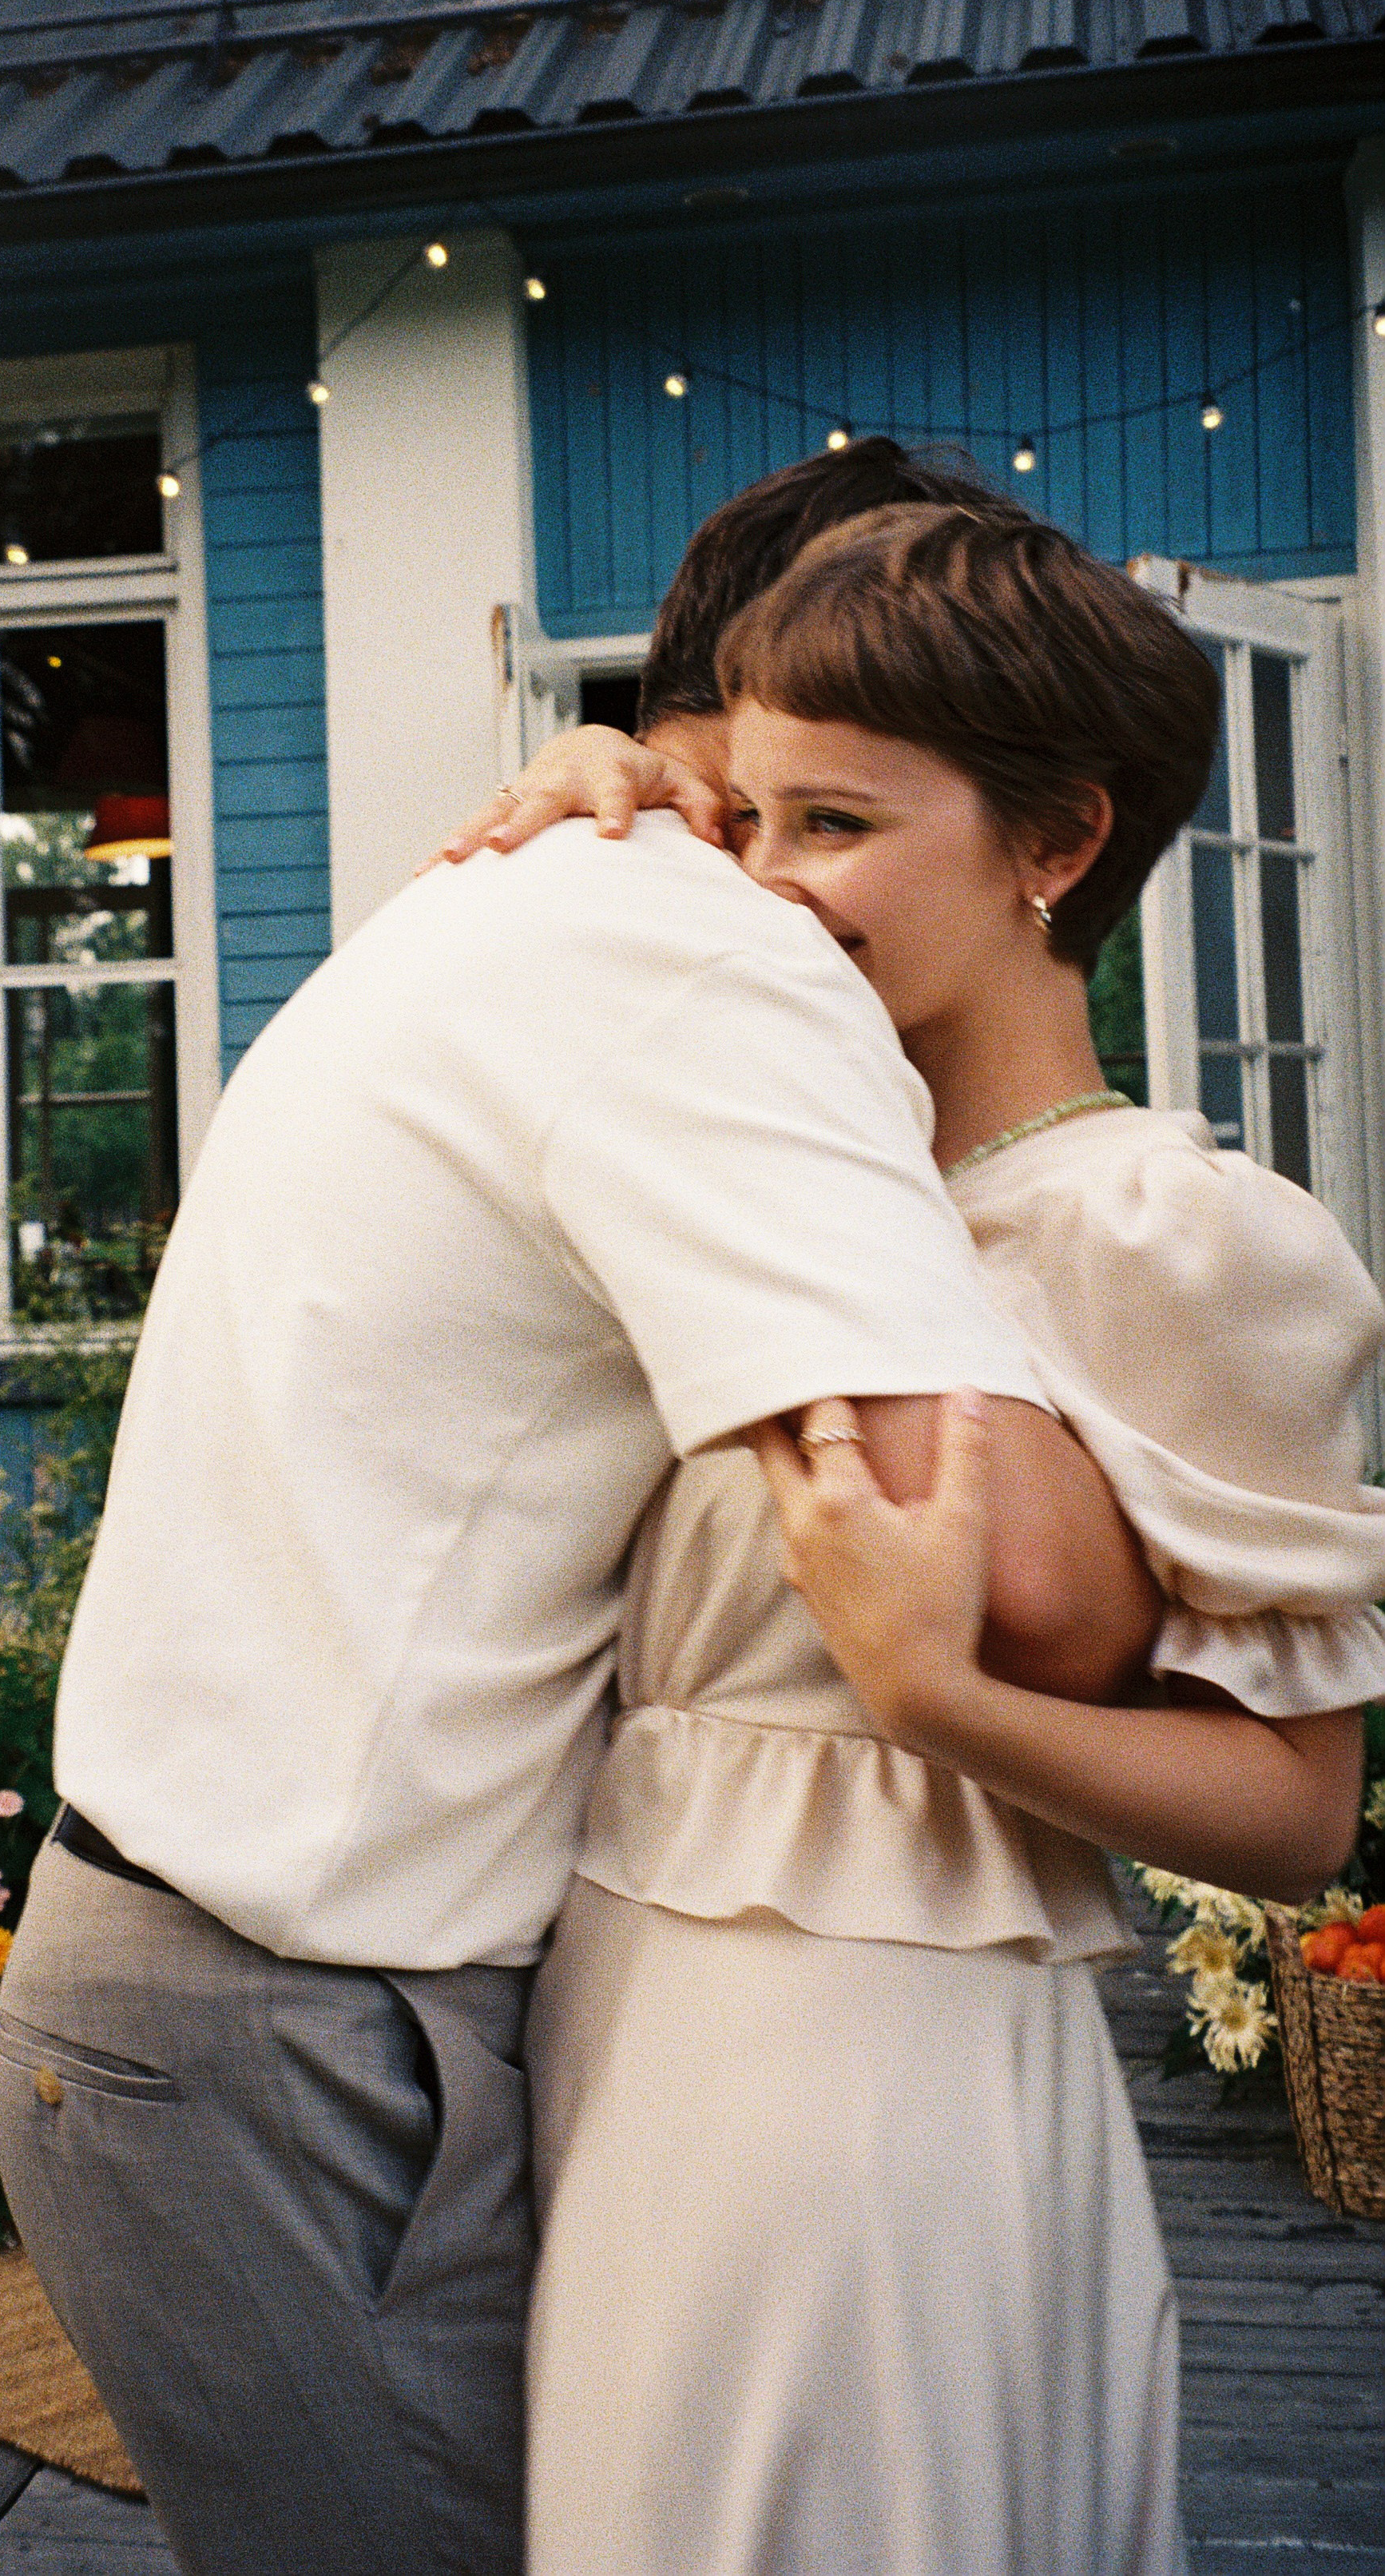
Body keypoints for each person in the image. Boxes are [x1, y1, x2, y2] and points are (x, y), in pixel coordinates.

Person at [0, 457, 1170, 2575]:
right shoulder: (710, 963)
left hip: (237, 1985)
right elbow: (1034, 1598)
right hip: (298, 2025)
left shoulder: (531, 889)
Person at [454, 500, 1385, 2574]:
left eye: (834, 826)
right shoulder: (765, 1170)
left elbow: (1291, 1815)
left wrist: (932, 1695)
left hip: (868, 2071)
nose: (770, 886)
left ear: (1054, 844)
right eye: (748, 819)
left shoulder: (1174, 1236)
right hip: (611, 2014)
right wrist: (603, 814)